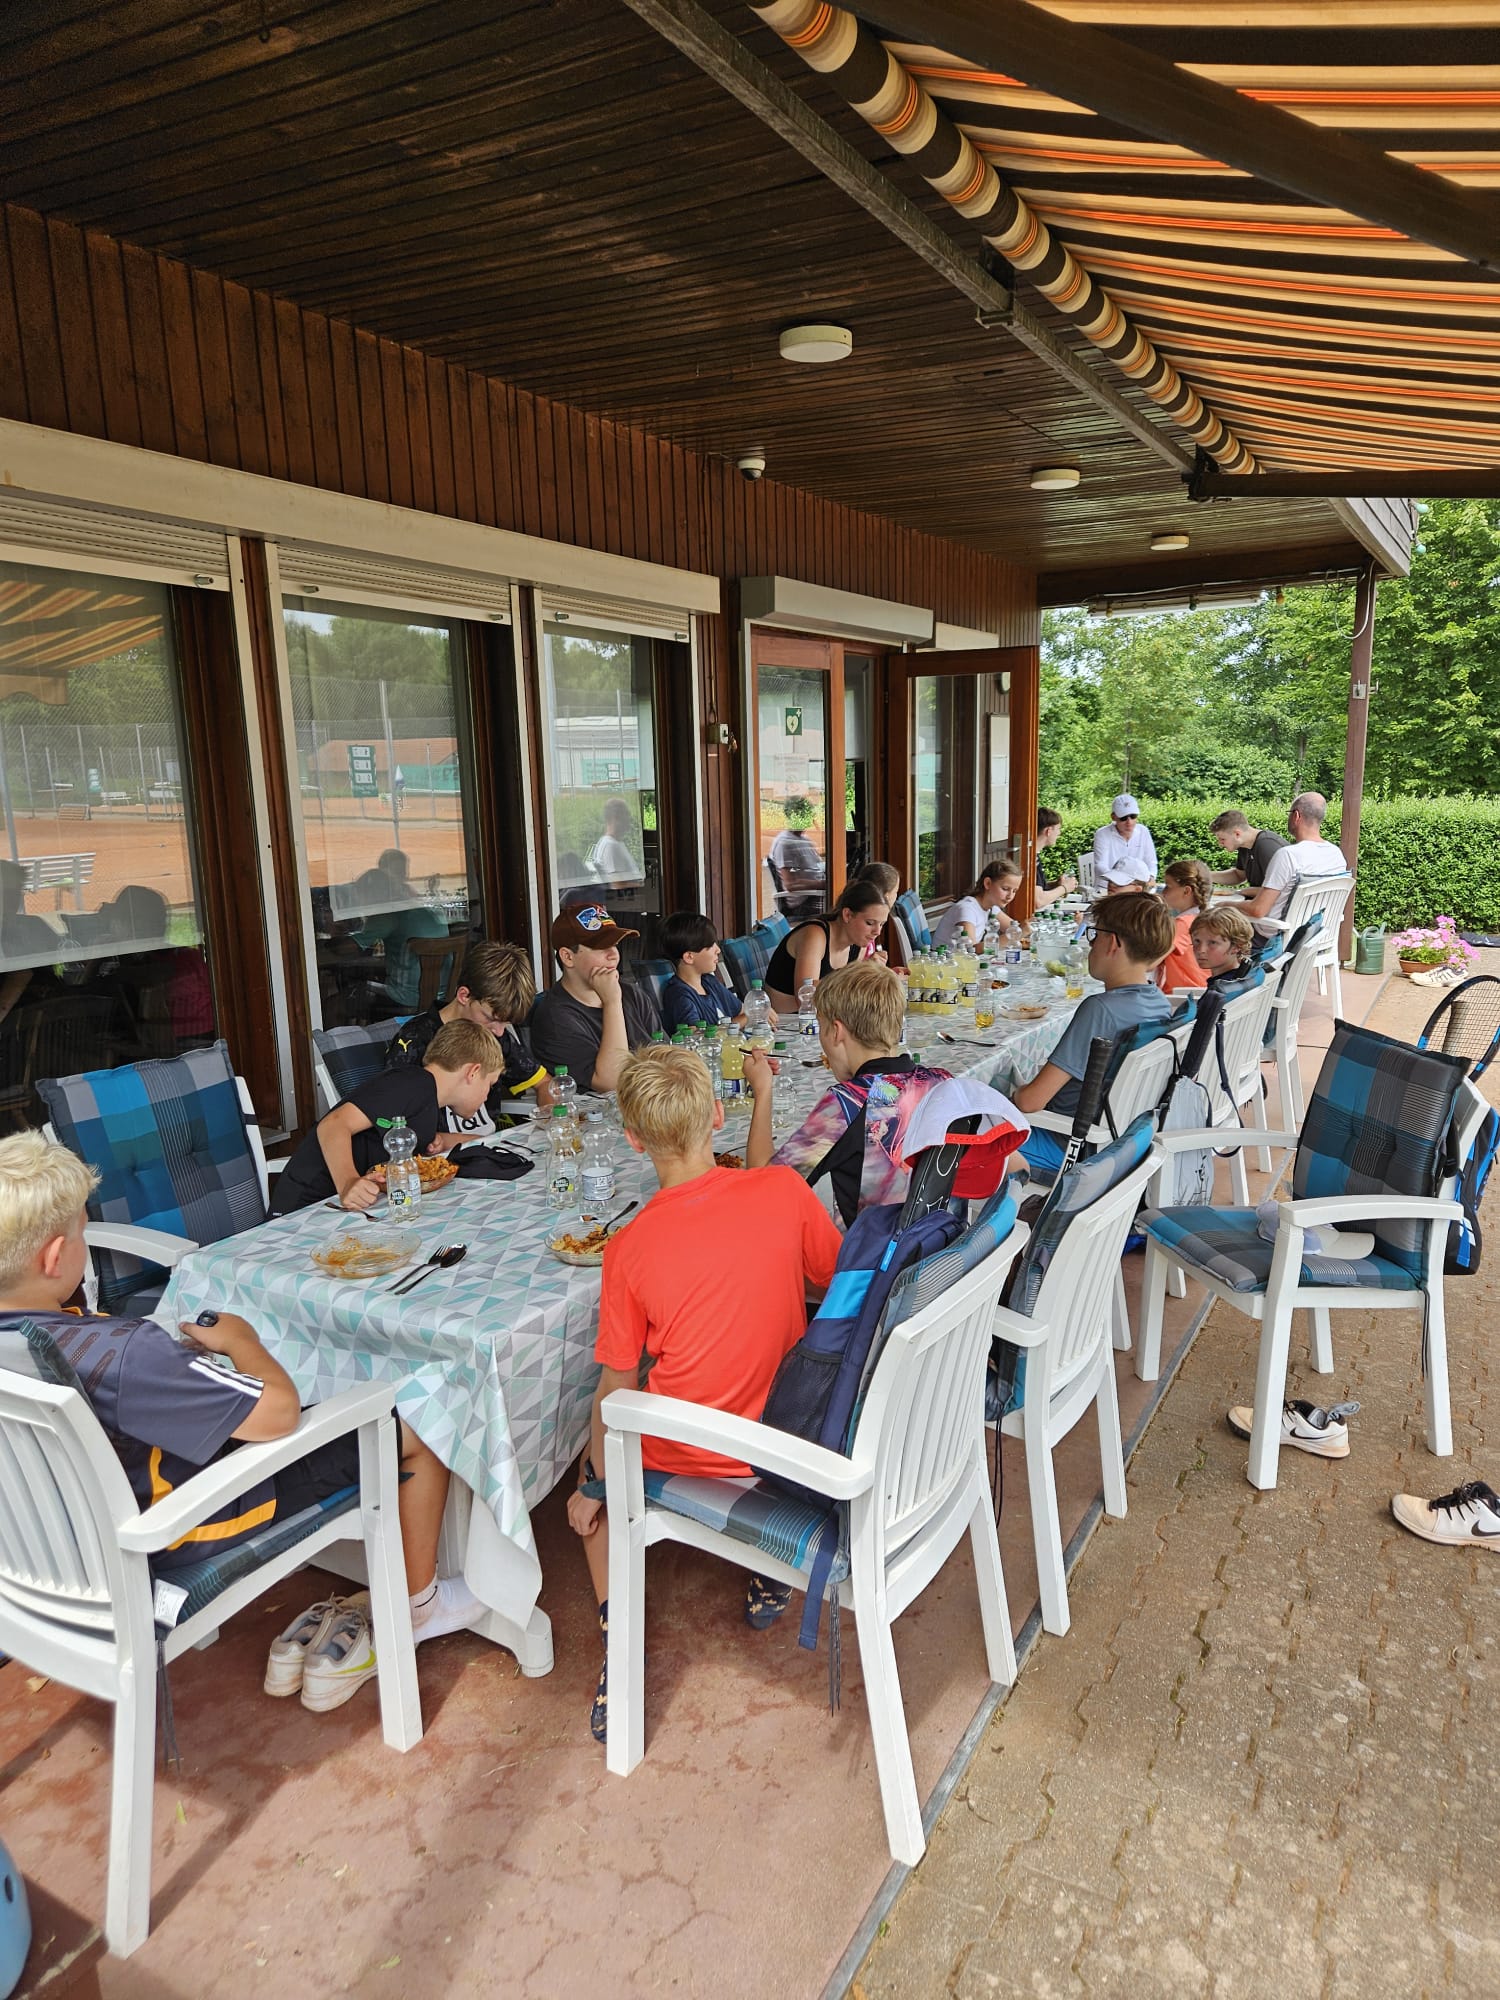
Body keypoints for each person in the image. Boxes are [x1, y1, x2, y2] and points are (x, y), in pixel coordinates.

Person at [0, 1132, 484, 1711]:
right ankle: (418, 1605)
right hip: (176, 1530)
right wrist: (242, 1341)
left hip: (52, 1551)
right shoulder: (123, 1352)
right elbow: (278, 1415)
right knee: (421, 1420)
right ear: (55, 1257)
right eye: (82, 1231)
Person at [566, 1045, 842, 1737]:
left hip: (695, 1454)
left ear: (633, 1140)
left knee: (590, 1467)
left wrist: (593, 1485)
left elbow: (617, 1382)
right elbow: (834, 1286)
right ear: (718, 1115)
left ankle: (616, 1641)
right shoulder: (781, 1191)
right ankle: (768, 1572)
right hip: (788, 1437)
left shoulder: (628, 1248)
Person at [747, 959, 950, 1226]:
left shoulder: (849, 1103)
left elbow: (763, 1184)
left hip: (871, 1261)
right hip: (938, 1247)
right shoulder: (941, 1082)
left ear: (836, 1031)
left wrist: (763, 1091)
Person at [1010, 891, 1175, 1179]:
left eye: (1093, 935)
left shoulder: (1100, 1010)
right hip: (1120, 1143)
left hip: (1070, 1148)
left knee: (959, 1129)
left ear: (1112, 943)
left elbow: (1029, 1102)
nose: (1091, 945)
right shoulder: (1159, 1002)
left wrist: (1012, 1091)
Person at [271, 1018, 501, 1214]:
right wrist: (348, 1182)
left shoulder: (427, 1100)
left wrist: (494, 1142)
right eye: (490, 1085)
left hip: (348, 1208)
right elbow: (333, 1124)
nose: (487, 1095)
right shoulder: (411, 1084)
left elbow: (434, 1141)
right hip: (306, 1207)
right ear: (473, 1072)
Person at [386, 938, 552, 1135]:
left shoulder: (494, 1036)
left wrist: (550, 1116)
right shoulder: (415, 1039)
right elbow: (392, 1112)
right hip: (438, 1154)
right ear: (464, 996)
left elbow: (543, 1082)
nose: (499, 1032)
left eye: (505, 1024)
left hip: (488, 1145)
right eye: (491, 1018)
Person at [528, 904, 660, 1093]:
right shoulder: (555, 1017)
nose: (614, 955)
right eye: (601, 947)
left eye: (615, 945)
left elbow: (665, 1060)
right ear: (567, 957)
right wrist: (612, 1003)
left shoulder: (631, 993)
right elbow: (612, 1083)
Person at [764, 879, 889, 1015]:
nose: (877, 931)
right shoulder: (815, 935)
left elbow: (846, 994)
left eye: (882, 924)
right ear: (847, 915)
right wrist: (860, 973)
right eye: (870, 923)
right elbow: (805, 997)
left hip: (822, 1018)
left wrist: (878, 974)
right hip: (784, 1023)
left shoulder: (858, 943)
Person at [1241, 792, 1348, 928]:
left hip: (1277, 940)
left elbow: (1258, 910)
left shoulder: (1287, 855)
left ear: (1296, 816)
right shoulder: (1336, 855)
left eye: (1289, 813)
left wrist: (1225, 904)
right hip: (1316, 936)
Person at [350, 864, 447, 1013]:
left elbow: (348, 947)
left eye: (361, 896)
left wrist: (321, 945)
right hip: (442, 995)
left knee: (349, 995)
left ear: (372, 895)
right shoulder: (422, 909)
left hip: (406, 998)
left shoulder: (387, 914)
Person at [658, 911, 744, 1031]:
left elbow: (742, 1011)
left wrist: (753, 1012)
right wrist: (750, 1016)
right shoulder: (679, 995)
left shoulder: (709, 981)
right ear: (689, 957)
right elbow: (695, 1038)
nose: (718, 950)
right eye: (710, 946)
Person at [933, 856, 1023, 949]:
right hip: (946, 961)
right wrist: (1021, 932)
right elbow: (972, 949)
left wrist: (1026, 928)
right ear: (987, 883)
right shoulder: (967, 909)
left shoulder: (992, 908)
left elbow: (1013, 929)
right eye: (1005, 889)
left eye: (1014, 891)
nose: (1010, 896)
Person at [1157, 859, 1212, 991]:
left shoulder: (1182, 924)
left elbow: (1150, 962)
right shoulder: (1203, 918)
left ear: (1187, 891)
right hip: (1200, 992)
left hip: (1182, 998)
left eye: (1168, 887)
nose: (1163, 892)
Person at [769, 802, 826, 919]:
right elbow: (790, 885)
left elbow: (816, 866)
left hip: (818, 893)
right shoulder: (785, 843)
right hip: (804, 903)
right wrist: (822, 885)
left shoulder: (805, 840)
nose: (810, 820)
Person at [1207, 809, 1287, 892]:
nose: (1220, 844)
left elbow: (1278, 890)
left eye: (1222, 839)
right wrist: (1205, 875)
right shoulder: (1244, 846)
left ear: (1237, 834)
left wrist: (1242, 892)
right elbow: (1238, 876)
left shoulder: (1267, 845)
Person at [1091, 794, 1157, 892]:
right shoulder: (1102, 834)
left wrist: (1151, 877)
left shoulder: (1143, 831)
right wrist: (1116, 881)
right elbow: (1101, 864)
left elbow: (1151, 861)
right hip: (1109, 888)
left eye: (1133, 816)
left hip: (1137, 888)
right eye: (1123, 818)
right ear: (1113, 817)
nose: (1129, 822)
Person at [1190, 906, 1255, 989]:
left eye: (1212, 943)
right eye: (1197, 941)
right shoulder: (1237, 976)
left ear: (1237, 946)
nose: (1200, 950)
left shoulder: (1221, 990)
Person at [588, 798, 645, 892]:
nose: (629, 819)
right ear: (615, 818)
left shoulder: (615, 843)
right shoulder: (610, 846)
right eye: (626, 815)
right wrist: (642, 885)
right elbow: (617, 885)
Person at [1033, 809, 1078, 911]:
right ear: (1048, 831)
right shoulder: (1031, 860)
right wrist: (1064, 888)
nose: (1059, 833)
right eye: (1058, 829)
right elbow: (1038, 901)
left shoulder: (1033, 855)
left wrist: (1055, 884)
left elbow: (1035, 889)